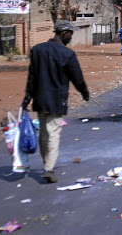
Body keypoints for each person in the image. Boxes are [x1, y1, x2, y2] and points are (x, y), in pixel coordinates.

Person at [21, 20, 89, 183]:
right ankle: (48, 168)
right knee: (53, 133)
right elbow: (77, 77)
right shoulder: (67, 54)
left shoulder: (37, 50)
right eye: (70, 34)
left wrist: (27, 98)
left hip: (40, 99)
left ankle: (47, 163)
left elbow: (32, 77)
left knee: (44, 133)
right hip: (56, 100)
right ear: (64, 33)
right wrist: (84, 92)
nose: (71, 37)